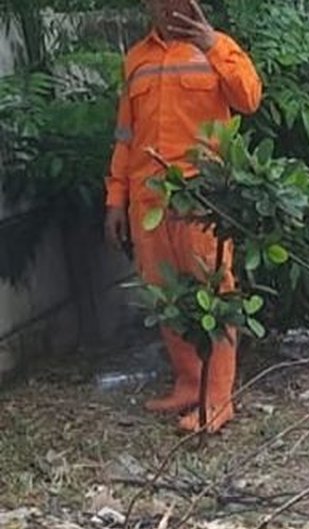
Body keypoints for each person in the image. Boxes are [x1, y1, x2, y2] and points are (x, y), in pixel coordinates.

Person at [105, 0, 261, 434]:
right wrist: (115, 200)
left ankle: (218, 398)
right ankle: (190, 382)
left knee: (214, 291)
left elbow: (249, 99)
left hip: (200, 198)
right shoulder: (136, 59)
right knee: (164, 295)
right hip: (148, 201)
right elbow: (124, 136)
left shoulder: (219, 49)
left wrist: (212, 44)